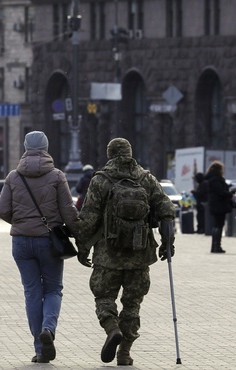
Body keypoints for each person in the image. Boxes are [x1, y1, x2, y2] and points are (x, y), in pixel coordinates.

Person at [75, 138, 175, 366]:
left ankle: (111, 328)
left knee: (104, 296)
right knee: (132, 305)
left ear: (109, 154)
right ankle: (125, 353)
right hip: (140, 255)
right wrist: (168, 242)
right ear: (130, 153)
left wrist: (82, 246)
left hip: (107, 255)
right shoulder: (146, 179)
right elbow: (166, 209)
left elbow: (89, 217)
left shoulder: (100, 180)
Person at [0, 131, 79, 364]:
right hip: (49, 241)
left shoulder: (14, 177)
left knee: (32, 292)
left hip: (21, 242)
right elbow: (69, 213)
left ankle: (40, 348)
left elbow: (1, 210)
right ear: (46, 147)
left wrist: (21, 222)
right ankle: (48, 330)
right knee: (53, 290)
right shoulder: (56, 176)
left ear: (24, 147)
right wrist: (80, 236)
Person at [206, 161, 233, 253]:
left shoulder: (211, 179)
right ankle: (217, 246)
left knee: (216, 225)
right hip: (219, 205)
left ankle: (214, 246)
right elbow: (220, 192)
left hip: (214, 204)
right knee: (219, 225)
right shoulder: (216, 179)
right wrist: (230, 193)